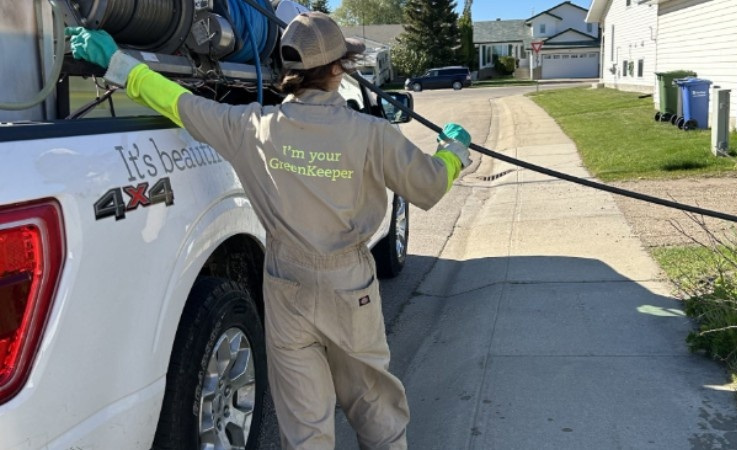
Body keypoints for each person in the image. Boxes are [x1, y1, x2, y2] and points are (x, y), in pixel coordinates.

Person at [66, 11, 472, 449]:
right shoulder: (371, 133)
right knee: (375, 406)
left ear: (288, 71)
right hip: (349, 286)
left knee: (305, 426)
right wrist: (454, 151)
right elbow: (428, 185)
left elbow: (179, 103)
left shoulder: (253, 128)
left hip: (287, 285)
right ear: (338, 69)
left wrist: (118, 64)